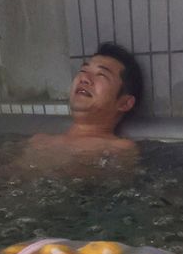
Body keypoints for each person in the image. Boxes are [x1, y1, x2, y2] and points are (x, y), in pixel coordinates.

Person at [14, 42, 143, 177]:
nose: (84, 78)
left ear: (125, 103)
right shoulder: (38, 140)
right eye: (83, 71)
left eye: (101, 75)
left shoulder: (119, 148)